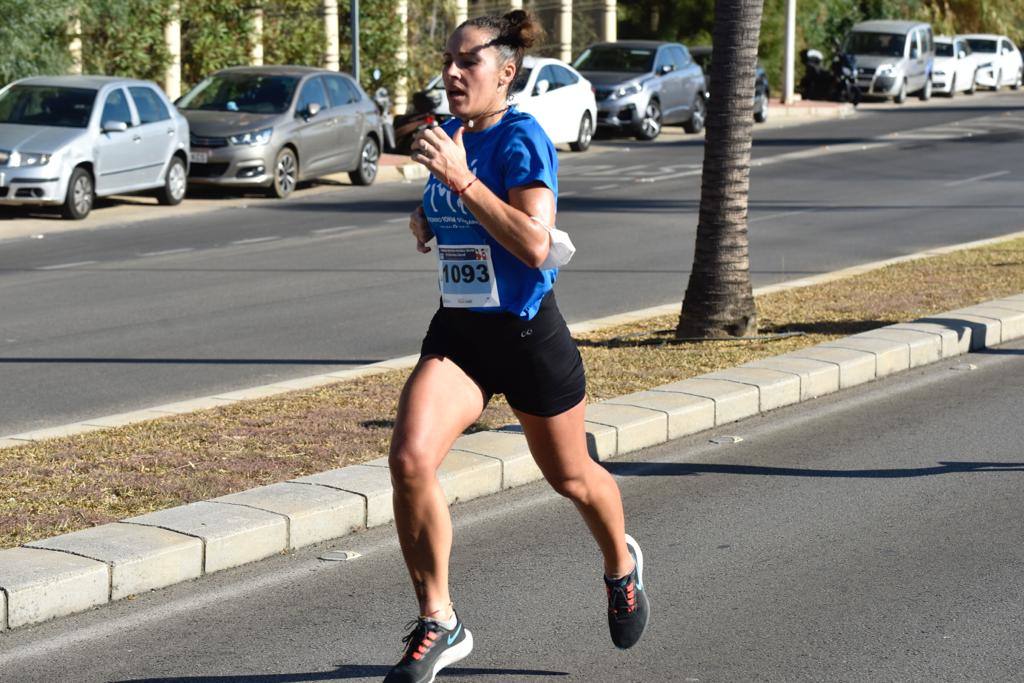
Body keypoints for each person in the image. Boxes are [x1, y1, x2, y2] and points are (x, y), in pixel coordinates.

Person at [384, 11, 649, 682]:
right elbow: (458, 211)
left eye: (466, 61)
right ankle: (440, 620)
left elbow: (535, 243)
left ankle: (621, 564)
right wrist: (427, 215)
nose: (451, 72)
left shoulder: (523, 138)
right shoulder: (450, 135)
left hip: (527, 334)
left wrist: (461, 182)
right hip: (462, 333)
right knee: (410, 459)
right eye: (447, 60)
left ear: (504, 72)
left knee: (572, 477)